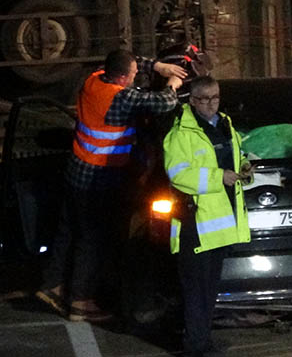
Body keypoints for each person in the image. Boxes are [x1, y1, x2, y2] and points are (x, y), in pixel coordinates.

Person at [36, 49, 186, 322]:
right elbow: (161, 103)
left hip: (76, 171)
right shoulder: (118, 98)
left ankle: (52, 286)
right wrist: (172, 85)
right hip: (98, 177)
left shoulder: (93, 78)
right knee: (92, 239)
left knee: (68, 231)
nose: (134, 77)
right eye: (132, 75)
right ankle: (81, 302)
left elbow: (128, 60)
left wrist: (158, 66)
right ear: (121, 78)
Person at [162, 75, 251, 356]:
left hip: (220, 225)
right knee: (196, 293)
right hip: (196, 225)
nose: (211, 104)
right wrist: (219, 177)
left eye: (215, 97)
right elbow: (178, 175)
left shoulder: (224, 124)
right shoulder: (181, 133)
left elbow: (234, 154)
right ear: (192, 100)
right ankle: (195, 347)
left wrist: (244, 165)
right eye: (204, 99)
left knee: (209, 291)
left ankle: (202, 342)